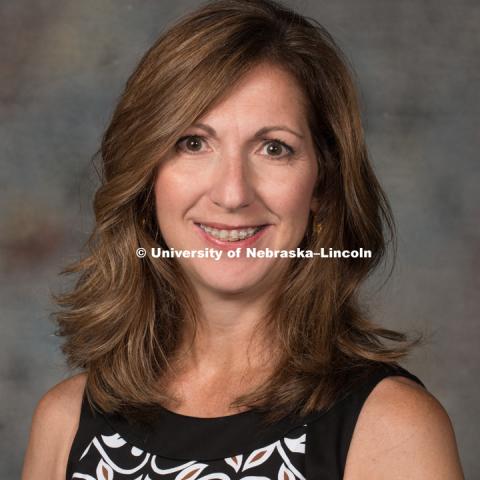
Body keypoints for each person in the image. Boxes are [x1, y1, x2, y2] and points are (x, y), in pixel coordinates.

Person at [21, 0, 464, 479]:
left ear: (322, 184)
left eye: (274, 148)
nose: (232, 194)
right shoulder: (64, 425)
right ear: (147, 176)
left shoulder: (392, 430)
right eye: (193, 143)